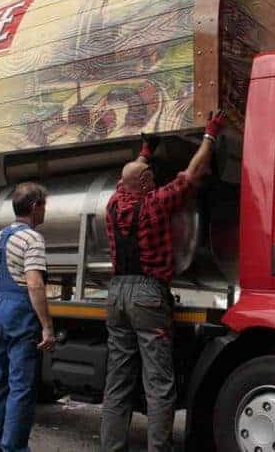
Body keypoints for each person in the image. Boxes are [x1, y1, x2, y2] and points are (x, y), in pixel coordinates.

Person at [100, 112, 226, 452]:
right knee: (158, 383)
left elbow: (125, 178)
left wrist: (144, 151)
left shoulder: (113, 205)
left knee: (118, 382)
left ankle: (112, 447)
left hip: (116, 294)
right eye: (151, 176)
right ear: (143, 185)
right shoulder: (155, 205)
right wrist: (210, 137)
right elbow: (192, 174)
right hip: (147, 295)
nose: (155, 179)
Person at [0, 182, 56, 452]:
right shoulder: (33, 238)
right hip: (20, 312)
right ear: (35, 208)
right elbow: (35, 283)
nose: (45, 211)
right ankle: (13, 448)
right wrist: (47, 325)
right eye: (44, 205)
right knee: (21, 386)